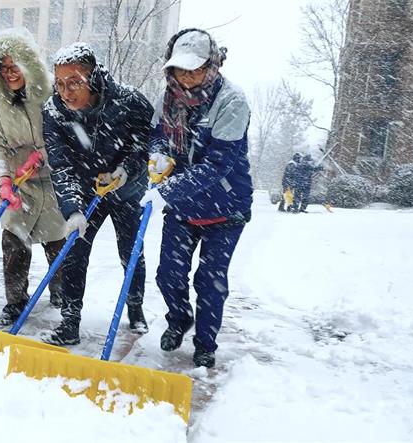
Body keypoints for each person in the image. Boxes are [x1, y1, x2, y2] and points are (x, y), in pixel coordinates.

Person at [144, 29, 252, 368]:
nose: (187, 76)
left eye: (196, 68)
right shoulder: (169, 98)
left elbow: (218, 164)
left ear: (212, 65)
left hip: (226, 208)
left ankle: (205, 343)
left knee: (209, 281)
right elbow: (157, 135)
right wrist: (158, 156)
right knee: (168, 275)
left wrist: (167, 191)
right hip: (182, 207)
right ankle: (179, 319)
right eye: (180, 68)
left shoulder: (231, 101)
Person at [40, 43, 154, 345]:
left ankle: (135, 307)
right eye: (60, 84)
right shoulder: (53, 112)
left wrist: (125, 170)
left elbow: (145, 144)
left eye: (75, 81)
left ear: (93, 78)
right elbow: (60, 164)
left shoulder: (129, 101)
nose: (66, 92)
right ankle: (70, 320)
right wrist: (73, 209)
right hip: (87, 189)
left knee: (130, 253)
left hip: (126, 189)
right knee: (75, 249)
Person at [0, 28, 67, 326]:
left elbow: (63, 133)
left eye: (14, 66)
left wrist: (42, 154)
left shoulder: (50, 91)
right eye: (2, 68)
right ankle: (15, 300)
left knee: (58, 240)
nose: (9, 74)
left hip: (53, 178)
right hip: (19, 179)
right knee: (13, 239)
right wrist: (2, 179)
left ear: (28, 63)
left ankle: (62, 293)